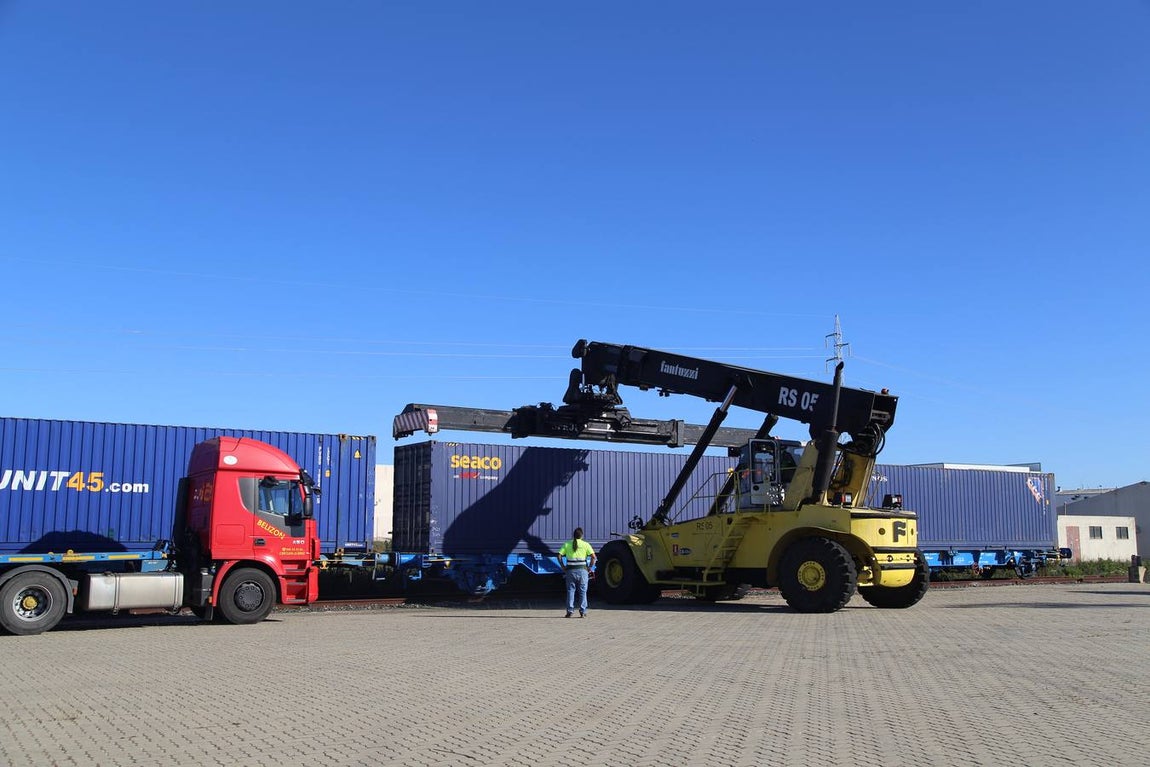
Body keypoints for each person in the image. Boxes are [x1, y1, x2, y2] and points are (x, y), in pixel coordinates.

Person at [558, 527, 596, 618]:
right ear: (582, 536)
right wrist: (589, 568)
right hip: (583, 571)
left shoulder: (567, 544)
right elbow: (593, 557)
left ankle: (570, 611)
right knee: (583, 591)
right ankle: (583, 612)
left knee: (570, 591)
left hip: (570, 571)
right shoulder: (586, 544)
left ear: (573, 535)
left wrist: (563, 566)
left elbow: (559, 556)